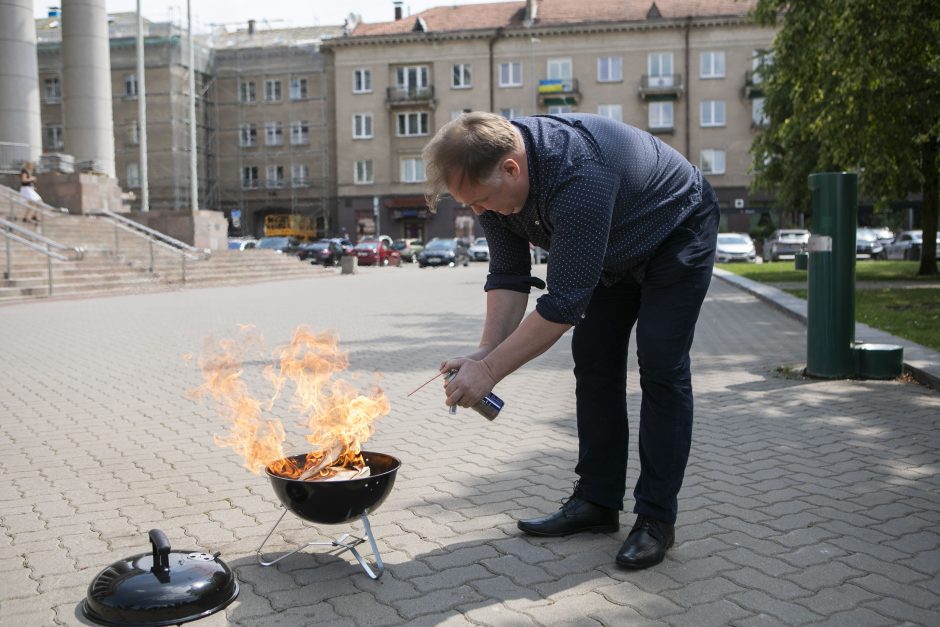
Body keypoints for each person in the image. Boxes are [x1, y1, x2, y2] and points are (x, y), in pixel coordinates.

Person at [423, 112, 718, 570]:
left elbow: (561, 307)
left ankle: (656, 519)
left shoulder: (578, 171)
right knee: (594, 360)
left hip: (675, 230)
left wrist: (491, 371)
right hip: (610, 249)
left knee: (660, 362)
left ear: (511, 168)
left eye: (480, 200)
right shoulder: (491, 185)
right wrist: (485, 351)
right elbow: (508, 275)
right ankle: (597, 503)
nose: (478, 211)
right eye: (469, 204)